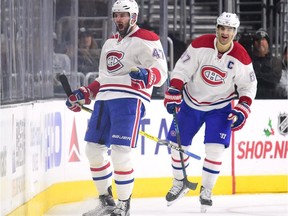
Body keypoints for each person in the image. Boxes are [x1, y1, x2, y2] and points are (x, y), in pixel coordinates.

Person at [65, 0, 168, 215]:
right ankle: (106, 201)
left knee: (121, 153)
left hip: (130, 99)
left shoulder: (147, 39)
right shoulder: (109, 43)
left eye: (123, 15)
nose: (119, 19)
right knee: (93, 149)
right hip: (104, 100)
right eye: (116, 15)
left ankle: (124, 206)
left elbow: (161, 73)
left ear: (133, 17)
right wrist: (84, 93)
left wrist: (147, 75)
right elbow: (104, 79)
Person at [163, 12, 257, 213]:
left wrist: (242, 109)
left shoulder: (241, 56)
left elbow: (248, 87)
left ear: (235, 32)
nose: (225, 32)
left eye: (230, 29)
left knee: (215, 149)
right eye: (222, 28)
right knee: (175, 144)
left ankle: (206, 190)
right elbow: (181, 69)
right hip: (191, 101)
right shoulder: (200, 44)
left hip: (221, 107)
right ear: (216, 28)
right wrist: (174, 90)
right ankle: (180, 182)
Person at [249, 29, 282, 99]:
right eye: (257, 40)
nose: (260, 42)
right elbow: (244, 79)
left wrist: (256, 76)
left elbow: (274, 80)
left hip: (272, 99)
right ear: (253, 44)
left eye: (263, 39)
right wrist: (265, 76)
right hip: (251, 97)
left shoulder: (275, 61)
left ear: (268, 43)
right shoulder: (247, 61)